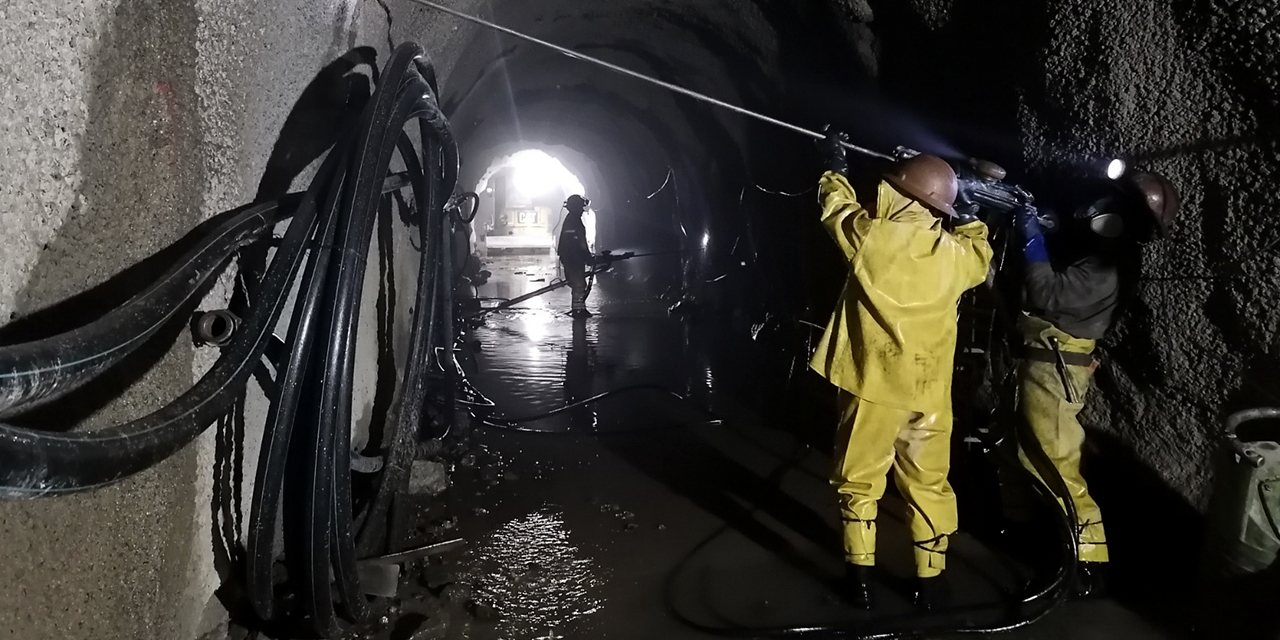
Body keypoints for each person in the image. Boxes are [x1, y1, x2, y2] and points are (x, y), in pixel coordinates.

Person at [811, 128, 994, 610]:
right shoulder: (959, 258)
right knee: (930, 483)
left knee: (859, 479)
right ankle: (931, 581)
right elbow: (980, 252)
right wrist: (971, 214)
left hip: (874, 385)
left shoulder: (872, 237)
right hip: (930, 394)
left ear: (896, 190)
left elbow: (836, 208)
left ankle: (860, 579)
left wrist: (834, 164)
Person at [1010, 171, 1179, 596]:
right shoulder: (1099, 251)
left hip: (1055, 366)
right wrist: (1048, 226)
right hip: (1045, 360)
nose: (1104, 206)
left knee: (1054, 463)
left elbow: (1047, 294)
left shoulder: (1106, 267)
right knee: (1029, 455)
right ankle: (1033, 541)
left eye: (1118, 206)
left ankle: (1086, 566)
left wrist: (1031, 240)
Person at [557, 194, 594, 318]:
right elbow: (580, 242)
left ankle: (579, 309)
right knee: (578, 284)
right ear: (575, 207)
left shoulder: (571, 219)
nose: (582, 210)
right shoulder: (574, 220)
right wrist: (588, 257)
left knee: (579, 284)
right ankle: (578, 311)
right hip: (573, 257)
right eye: (580, 207)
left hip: (571, 256)